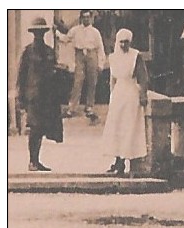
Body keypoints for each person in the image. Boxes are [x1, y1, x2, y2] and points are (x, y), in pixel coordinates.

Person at [17, 17, 64, 171]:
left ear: (44, 33)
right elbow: (21, 75)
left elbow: (54, 73)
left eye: (41, 32)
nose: (39, 35)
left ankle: (37, 161)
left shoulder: (49, 51)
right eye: (36, 33)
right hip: (33, 96)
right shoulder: (28, 52)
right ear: (33, 34)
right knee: (34, 128)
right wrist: (20, 97)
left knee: (42, 128)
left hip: (47, 97)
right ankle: (32, 161)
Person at [101, 29, 149, 176]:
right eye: (121, 41)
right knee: (117, 128)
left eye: (126, 42)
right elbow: (112, 80)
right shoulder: (113, 57)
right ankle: (118, 161)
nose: (123, 45)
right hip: (118, 95)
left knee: (130, 128)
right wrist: (111, 97)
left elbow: (143, 78)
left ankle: (131, 161)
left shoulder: (136, 56)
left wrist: (143, 94)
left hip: (131, 94)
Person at [56, 10, 105, 120]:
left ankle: (89, 107)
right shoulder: (75, 30)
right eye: (84, 17)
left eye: (88, 17)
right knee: (78, 81)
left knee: (92, 81)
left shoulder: (95, 32)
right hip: (80, 56)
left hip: (92, 55)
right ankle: (72, 108)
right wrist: (57, 33)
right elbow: (66, 39)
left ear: (91, 18)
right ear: (81, 18)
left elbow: (100, 48)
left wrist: (101, 64)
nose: (86, 19)